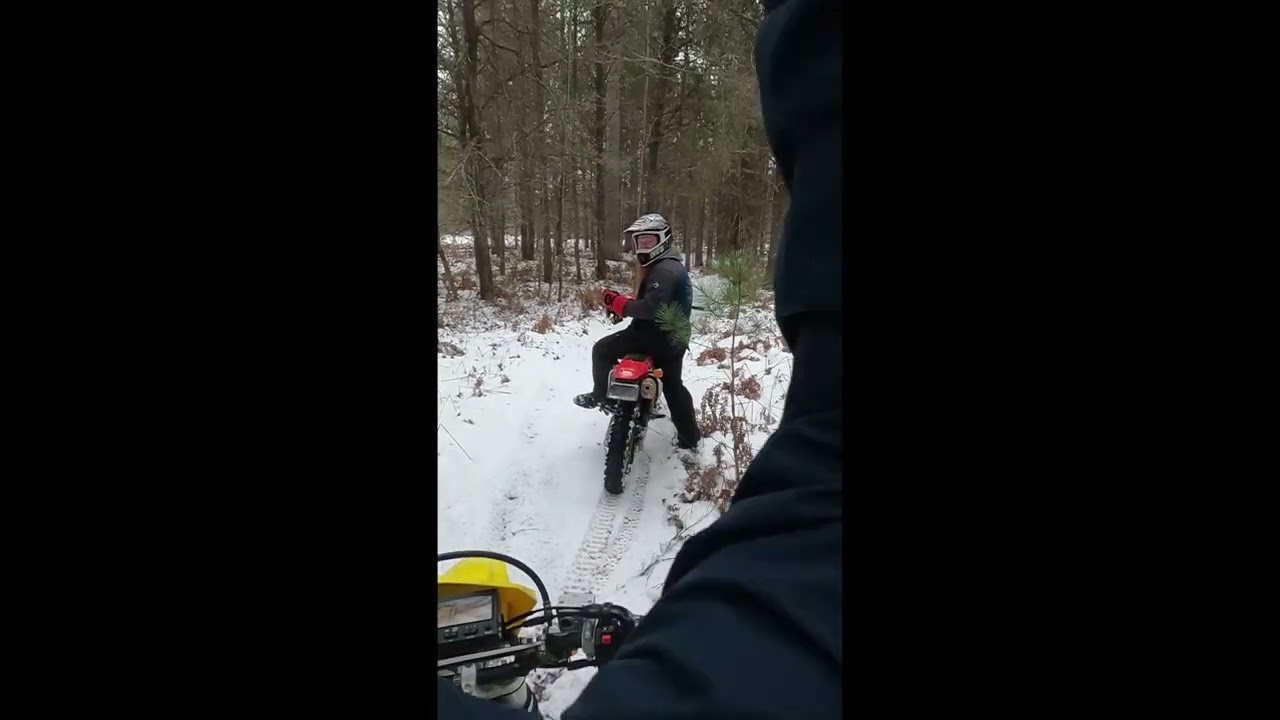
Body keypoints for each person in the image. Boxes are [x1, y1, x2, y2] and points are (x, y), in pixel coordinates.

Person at [439, 0, 842, 716]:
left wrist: (624, 311)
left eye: (639, 241)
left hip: (665, 340)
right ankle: (623, 404)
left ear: (654, 239)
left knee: (661, 376)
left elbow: (657, 313)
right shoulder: (658, 265)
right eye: (633, 244)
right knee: (607, 350)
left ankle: (684, 431)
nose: (635, 249)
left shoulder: (673, 269)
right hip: (654, 335)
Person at [572, 213, 702, 450]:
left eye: (648, 241)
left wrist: (619, 303)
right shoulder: (669, 265)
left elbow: (651, 308)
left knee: (601, 349)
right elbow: (657, 300)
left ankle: (601, 396)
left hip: (653, 336)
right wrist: (628, 304)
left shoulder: (664, 270)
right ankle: (690, 437)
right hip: (675, 337)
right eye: (639, 241)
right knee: (673, 385)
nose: (642, 246)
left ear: (662, 240)